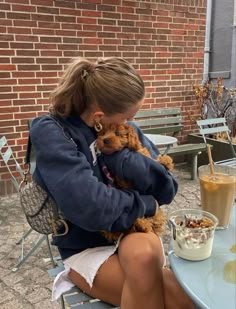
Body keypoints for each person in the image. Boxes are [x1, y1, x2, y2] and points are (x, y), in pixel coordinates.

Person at [30, 57, 194, 309]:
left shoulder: (122, 129)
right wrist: (147, 204)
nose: (130, 124)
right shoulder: (53, 132)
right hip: (86, 246)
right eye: (128, 117)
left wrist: (122, 156)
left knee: (145, 256)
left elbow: (167, 187)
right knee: (179, 300)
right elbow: (92, 207)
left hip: (132, 234)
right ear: (99, 116)